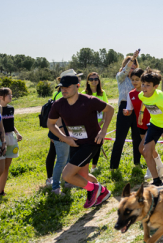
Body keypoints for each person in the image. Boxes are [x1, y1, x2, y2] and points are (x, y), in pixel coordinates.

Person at [47, 69, 115, 209]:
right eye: (61, 87)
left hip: (92, 142)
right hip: (75, 143)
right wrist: (65, 138)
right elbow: (50, 124)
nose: (64, 90)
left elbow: (110, 110)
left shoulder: (89, 101)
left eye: (67, 87)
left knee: (67, 175)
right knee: (83, 175)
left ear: (77, 86)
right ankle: (102, 191)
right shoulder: (58, 104)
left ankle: (92, 190)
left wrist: (103, 132)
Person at [130, 68, 163, 180]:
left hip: (155, 124)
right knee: (146, 148)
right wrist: (141, 113)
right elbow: (143, 100)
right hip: (146, 122)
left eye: (146, 84)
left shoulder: (158, 95)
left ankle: (153, 169)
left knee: (143, 148)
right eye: (143, 84)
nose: (143, 86)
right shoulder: (142, 94)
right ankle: (160, 166)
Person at [110, 51, 142, 171]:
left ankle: (137, 164)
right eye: (129, 66)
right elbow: (124, 71)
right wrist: (132, 58)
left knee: (137, 137)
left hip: (137, 107)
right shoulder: (120, 76)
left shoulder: (137, 79)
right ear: (124, 66)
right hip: (124, 107)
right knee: (120, 138)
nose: (131, 69)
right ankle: (113, 167)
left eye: (134, 67)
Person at [0, 88, 22, 198]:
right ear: (1, 97)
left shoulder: (4, 108)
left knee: (4, 169)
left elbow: (4, 125)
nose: (11, 97)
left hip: (5, 140)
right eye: (8, 95)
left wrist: (16, 133)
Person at [45, 79, 70, 195]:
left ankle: (67, 181)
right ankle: (55, 187)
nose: (64, 90)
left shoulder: (72, 96)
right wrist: (62, 134)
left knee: (67, 159)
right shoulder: (61, 97)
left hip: (67, 133)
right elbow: (57, 117)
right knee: (61, 160)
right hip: (60, 133)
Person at [82, 72, 108, 173]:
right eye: (91, 79)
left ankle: (94, 166)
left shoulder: (102, 93)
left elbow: (106, 108)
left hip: (99, 124)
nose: (94, 81)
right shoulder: (83, 93)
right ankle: (85, 166)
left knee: (98, 144)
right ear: (88, 81)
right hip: (87, 125)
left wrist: (102, 121)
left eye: (96, 79)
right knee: (87, 145)